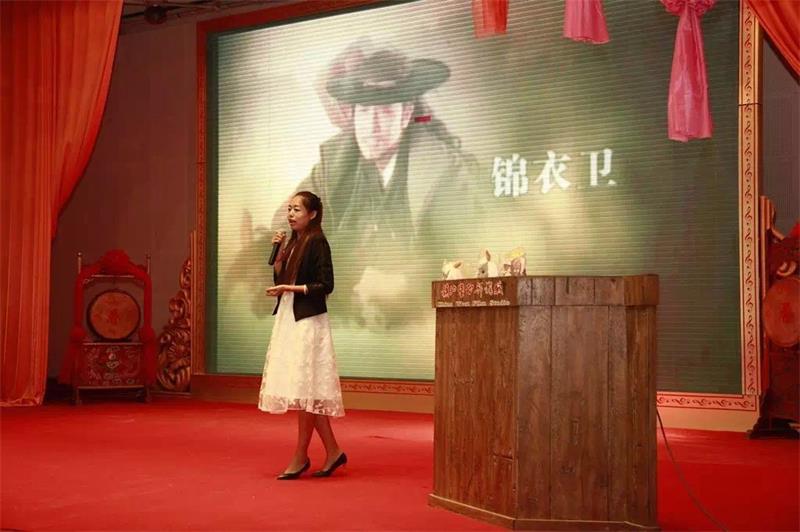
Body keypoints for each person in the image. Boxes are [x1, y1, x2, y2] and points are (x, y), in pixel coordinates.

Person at [272, 45, 483, 327]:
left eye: (384, 111)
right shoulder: (336, 163)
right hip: (337, 308)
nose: (372, 126)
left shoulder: (445, 170)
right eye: (364, 111)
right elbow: (287, 218)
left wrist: (406, 280)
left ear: (406, 114)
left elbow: (465, 252)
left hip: (413, 318)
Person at [259, 191, 347, 479]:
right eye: (289, 209)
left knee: (306, 389)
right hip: (291, 317)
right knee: (307, 391)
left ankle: (300, 456)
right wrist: (278, 260)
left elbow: (326, 285)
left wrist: (290, 289)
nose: (291, 214)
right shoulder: (294, 241)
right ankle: (333, 451)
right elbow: (283, 279)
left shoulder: (317, 240)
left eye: (297, 209)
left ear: (312, 214)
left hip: (308, 321)